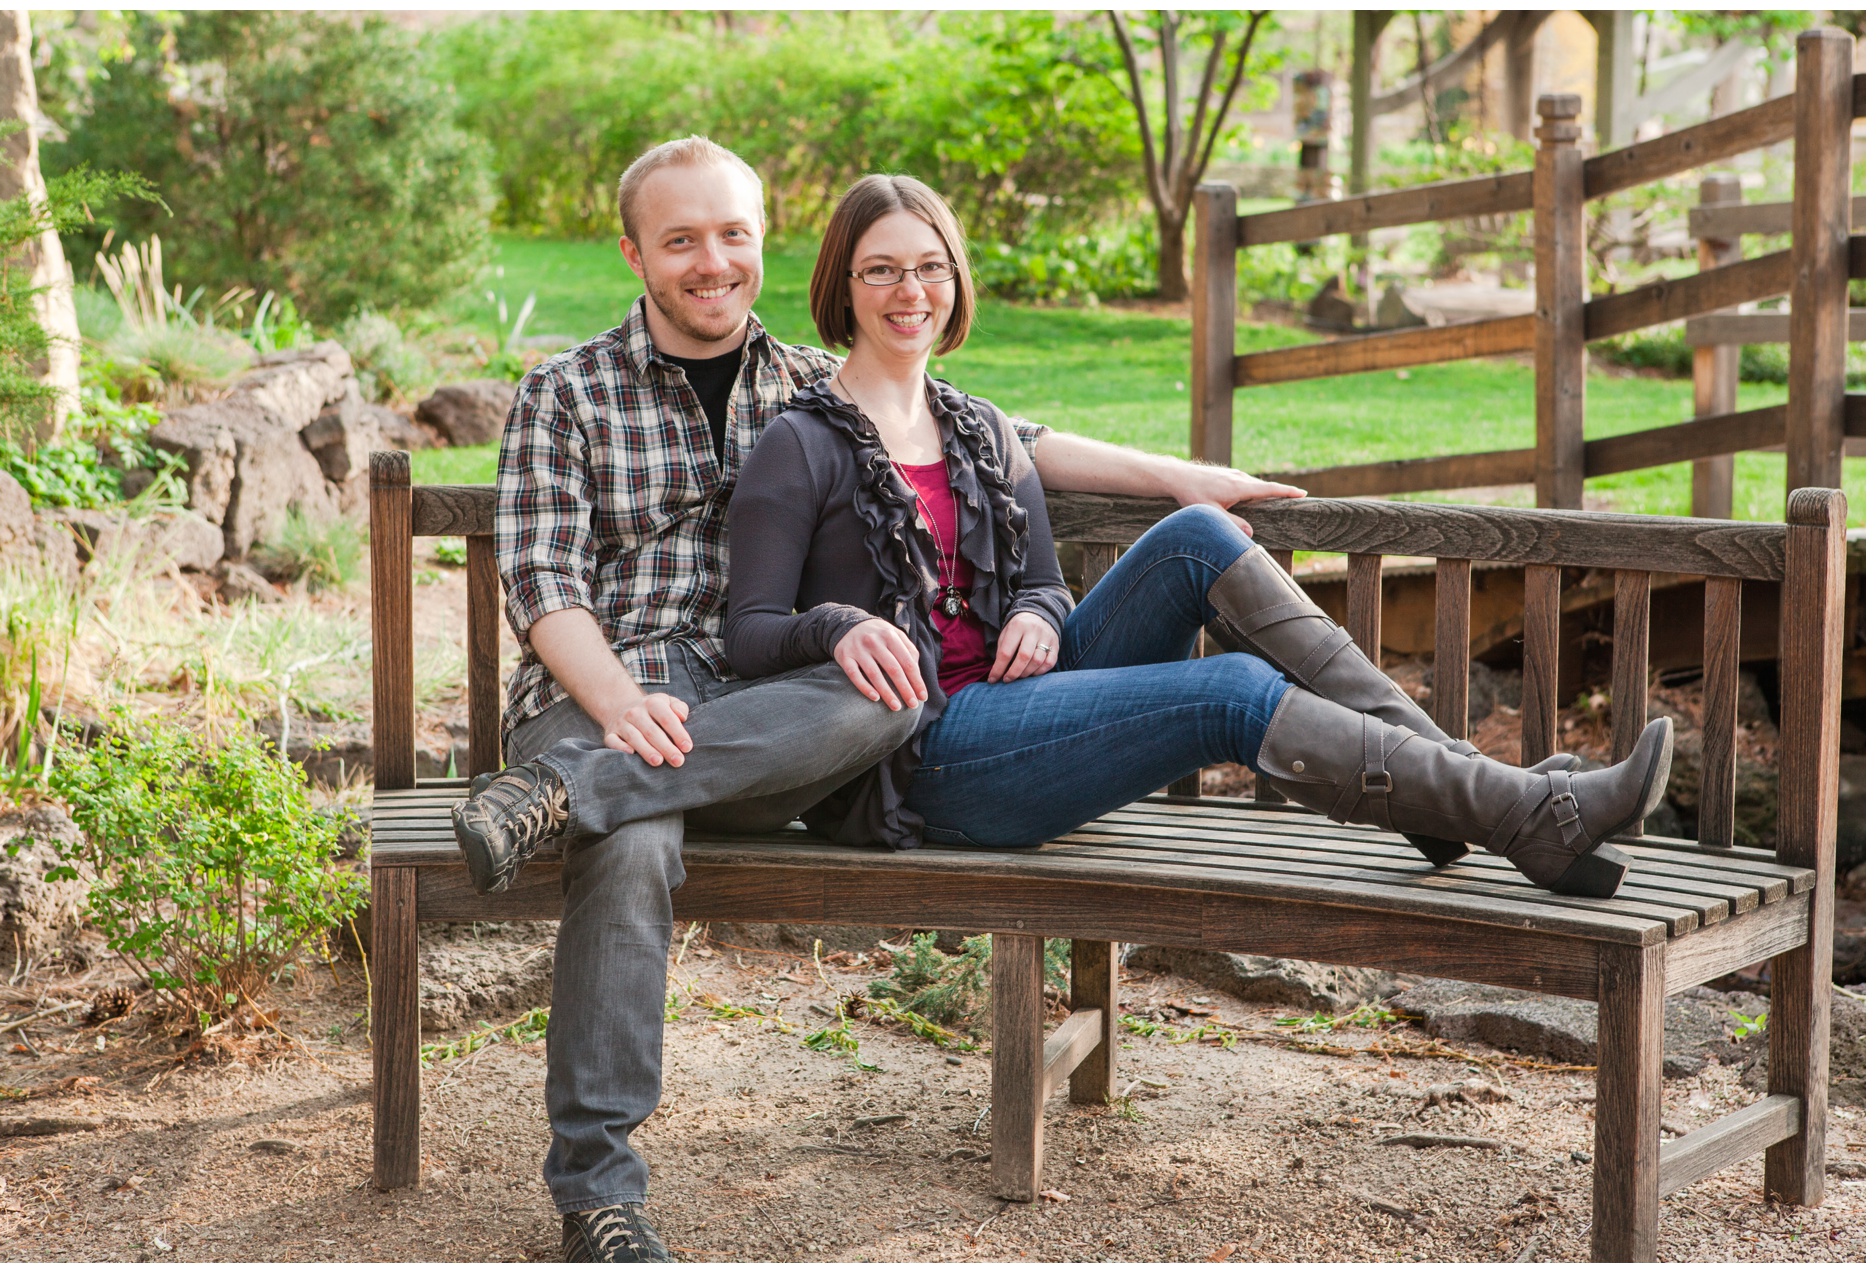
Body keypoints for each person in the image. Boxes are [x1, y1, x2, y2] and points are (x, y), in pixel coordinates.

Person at [451, 138, 1307, 1263]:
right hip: (598, 690)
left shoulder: (813, 381)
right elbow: (544, 584)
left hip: (771, 705)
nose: (712, 262)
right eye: (681, 240)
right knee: (633, 835)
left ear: (759, 243)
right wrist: (617, 707)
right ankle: (599, 1194)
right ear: (633, 253)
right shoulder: (564, 393)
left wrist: (1181, 479)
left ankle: (560, 795)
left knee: (893, 693)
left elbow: (1011, 439)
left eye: (733, 235)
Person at [720, 173, 1673, 899]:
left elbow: (1045, 585)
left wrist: (1046, 618)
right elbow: (750, 631)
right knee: (1230, 689)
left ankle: (1468, 803)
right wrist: (839, 626)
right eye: (881, 269)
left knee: (1197, 536)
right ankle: (1512, 807)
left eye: (929, 266)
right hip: (931, 760)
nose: (909, 290)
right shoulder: (798, 447)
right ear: (842, 286)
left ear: (956, 279)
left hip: (1027, 704)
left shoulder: (977, 429)